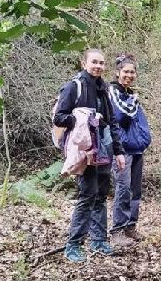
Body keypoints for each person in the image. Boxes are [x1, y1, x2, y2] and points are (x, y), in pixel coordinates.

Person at [53, 48, 126, 263]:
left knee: (101, 194)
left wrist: (119, 152)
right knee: (87, 194)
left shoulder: (103, 88)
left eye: (102, 63)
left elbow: (112, 122)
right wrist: (86, 118)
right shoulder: (73, 86)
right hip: (85, 150)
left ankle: (99, 240)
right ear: (83, 63)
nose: (98, 66)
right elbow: (60, 118)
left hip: (104, 147)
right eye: (94, 62)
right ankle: (73, 245)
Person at [108, 54, 151, 246]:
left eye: (132, 72)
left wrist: (145, 139)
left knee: (135, 190)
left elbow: (138, 120)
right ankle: (117, 230)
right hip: (121, 149)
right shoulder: (113, 91)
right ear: (118, 72)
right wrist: (133, 101)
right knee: (123, 187)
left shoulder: (129, 94)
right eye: (126, 71)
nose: (129, 75)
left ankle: (130, 227)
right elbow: (122, 116)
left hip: (136, 148)